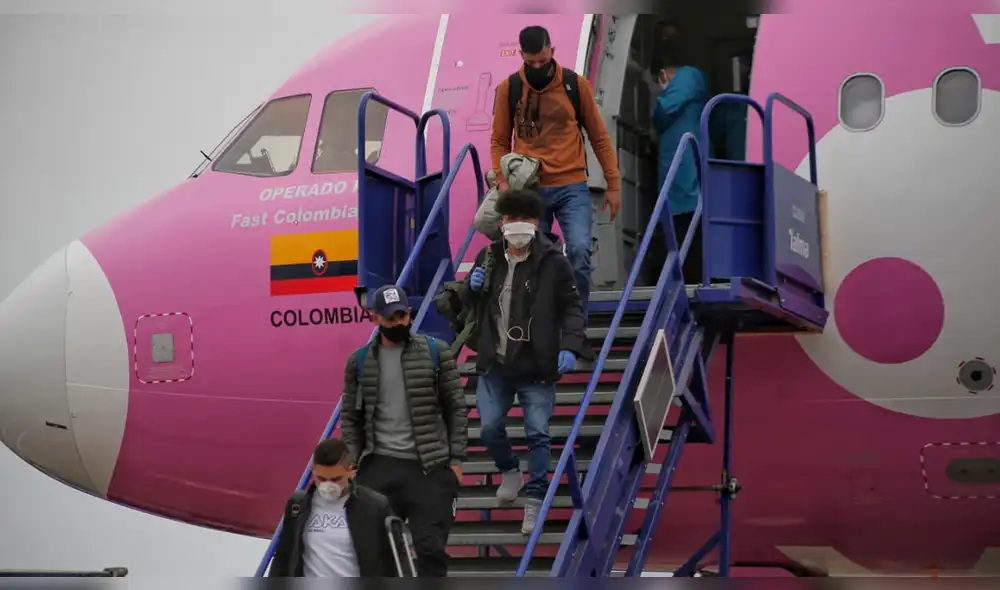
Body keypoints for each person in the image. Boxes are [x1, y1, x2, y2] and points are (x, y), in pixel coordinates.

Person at [464, 188, 588, 535]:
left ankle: (534, 500)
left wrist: (571, 346)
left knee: (538, 432)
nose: (518, 225)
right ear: (501, 222)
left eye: (526, 219)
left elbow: (572, 307)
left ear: (536, 222)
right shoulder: (487, 258)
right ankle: (509, 471)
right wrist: (470, 287)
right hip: (496, 363)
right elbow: (467, 306)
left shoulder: (554, 261)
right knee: (489, 428)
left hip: (536, 364)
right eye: (511, 218)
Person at [490, 25, 622, 317]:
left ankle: (577, 323)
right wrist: (502, 181)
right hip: (529, 188)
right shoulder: (508, 89)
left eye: (542, 59)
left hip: (571, 184)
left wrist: (613, 183)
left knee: (579, 252)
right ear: (522, 55)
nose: (538, 66)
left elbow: (600, 138)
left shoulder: (576, 85)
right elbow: (499, 141)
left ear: (552, 50)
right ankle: (539, 326)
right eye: (531, 62)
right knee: (529, 260)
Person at [341, 284, 468, 577]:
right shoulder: (358, 362)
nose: (398, 322)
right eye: (390, 317)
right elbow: (351, 417)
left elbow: (456, 409)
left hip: (430, 468)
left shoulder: (437, 354)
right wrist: (351, 461)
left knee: (431, 551)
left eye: (402, 315)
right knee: (373, 552)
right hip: (379, 467)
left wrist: (456, 462)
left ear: (410, 314)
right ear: (374, 317)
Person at [268, 437, 399, 577]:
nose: (328, 485)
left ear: (351, 471)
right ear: (313, 471)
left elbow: (394, 561)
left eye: (336, 479)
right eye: (322, 479)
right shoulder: (297, 504)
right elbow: (284, 555)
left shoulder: (375, 506)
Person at [650, 46, 709, 285]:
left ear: (663, 73)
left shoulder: (689, 75)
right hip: (677, 171)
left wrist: (657, 106)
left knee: (690, 232)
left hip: (687, 168)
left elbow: (663, 110)